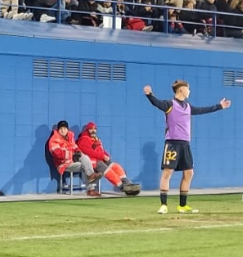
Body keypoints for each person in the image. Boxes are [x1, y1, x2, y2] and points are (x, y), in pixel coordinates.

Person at [144, 81, 230, 214]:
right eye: (188, 89)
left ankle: (182, 205)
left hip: (185, 144)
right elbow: (157, 103)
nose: (189, 92)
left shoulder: (188, 107)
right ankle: (163, 205)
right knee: (167, 172)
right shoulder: (170, 105)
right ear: (181, 90)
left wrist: (220, 106)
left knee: (189, 173)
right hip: (172, 144)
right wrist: (150, 95)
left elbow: (202, 110)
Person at [76, 122, 141, 195]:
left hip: (99, 159)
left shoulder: (96, 139)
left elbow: (101, 151)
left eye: (95, 129)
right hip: (91, 162)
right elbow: (89, 153)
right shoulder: (83, 139)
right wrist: (102, 156)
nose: (93, 130)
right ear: (87, 130)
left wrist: (106, 156)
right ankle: (123, 187)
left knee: (115, 166)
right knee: (107, 170)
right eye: (91, 129)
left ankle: (128, 184)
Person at [48, 121, 102, 196]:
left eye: (64, 128)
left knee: (85, 157)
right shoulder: (54, 140)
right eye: (61, 129)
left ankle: (91, 177)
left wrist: (78, 152)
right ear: (58, 130)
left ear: (67, 129)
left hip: (72, 160)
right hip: (63, 164)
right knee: (85, 166)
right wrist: (72, 154)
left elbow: (75, 147)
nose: (63, 130)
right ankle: (91, 189)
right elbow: (57, 154)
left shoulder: (70, 137)